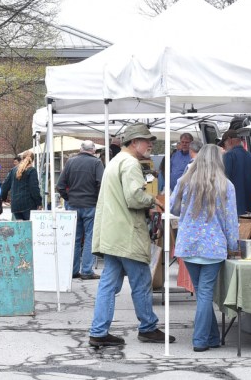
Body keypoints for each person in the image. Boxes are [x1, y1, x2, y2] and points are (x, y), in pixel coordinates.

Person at [88, 123, 174, 348]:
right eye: (147, 141)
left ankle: (98, 331)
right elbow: (134, 197)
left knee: (109, 284)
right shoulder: (130, 163)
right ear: (134, 142)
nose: (150, 144)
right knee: (142, 281)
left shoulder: (116, 161)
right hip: (126, 232)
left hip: (113, 232)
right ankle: (147, 327)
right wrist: (153, 201)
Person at [171, 144, 239, 352]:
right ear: (219, 161)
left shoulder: (184, 181)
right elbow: (230, 220)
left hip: (189, 244)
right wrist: (234, 245)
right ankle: (200, 339)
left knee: (202, 292)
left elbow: (173, 207)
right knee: (205, 293)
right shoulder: (226, 185)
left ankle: (212, 337)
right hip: (213, 246)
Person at [56, 140, 105, 280]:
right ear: (93, 150)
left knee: (75, 239)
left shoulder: (70, 162)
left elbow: (60, 185)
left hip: (73, 205)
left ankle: (73, 270)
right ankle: (87, 270)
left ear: (80, 149)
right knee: (90, 238)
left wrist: (68, 198)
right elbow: (101, 184)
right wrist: (97, 200)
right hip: (90, 204)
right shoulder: (96, 163)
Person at [220, 129, 251, 215]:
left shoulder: (228, 156)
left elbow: (223, 182)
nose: (223, 147)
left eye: (223, 144)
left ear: (229, 140)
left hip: (235, 208)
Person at [0, 150, 42, 220]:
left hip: (15, 204)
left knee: (20, 229)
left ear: (22, 158)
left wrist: (3, 198)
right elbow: (34, 188)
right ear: (32, 160)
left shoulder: (13, 170)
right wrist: (39, 202)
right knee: (29, 227)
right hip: (28, 204)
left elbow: (5, 186)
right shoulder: (32, 170)